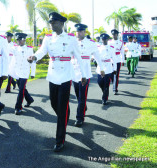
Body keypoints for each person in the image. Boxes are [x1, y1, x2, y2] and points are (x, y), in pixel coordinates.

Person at [28, 12, 87, 152]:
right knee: (54, 104)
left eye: (54, 22)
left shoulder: (71, 39)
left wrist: (83, 75)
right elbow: (42, 51)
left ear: (61, 23)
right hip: (53, 74)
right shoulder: (48, 39)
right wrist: (34, 57)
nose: (51, 24)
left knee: (61, 108)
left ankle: (59, 140)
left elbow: (79, 57)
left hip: (66, 76)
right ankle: (65, 114)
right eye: (50, 22)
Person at [72, 23, 105, 127]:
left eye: (80, 31)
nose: (78, 33)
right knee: (78, 95)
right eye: (77, 31)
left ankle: (79, 118)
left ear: (84, 32)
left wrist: (102, 68)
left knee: (82, 97)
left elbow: (97, 56)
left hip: (85, 73)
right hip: (74, 73)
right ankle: (83, 107)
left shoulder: (91, 43)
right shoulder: (72, 42)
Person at [11, 33, 36, 115]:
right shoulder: (15, 48)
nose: (18, 41)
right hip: (17, 72)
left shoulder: (29, 49)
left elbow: (33, 61)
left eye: (20, 40)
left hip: (25, 72)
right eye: (17, 40)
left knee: (21, 90)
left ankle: (18, 107)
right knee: (22, 89)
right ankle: (29, 99)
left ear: (24, 40)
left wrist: (33, 73)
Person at [97, 33, 117, 105]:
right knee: (99, 82)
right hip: (100, 67)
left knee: (106, 84)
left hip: (108, 68)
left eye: (105, 39)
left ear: (107, 40)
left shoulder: (111, 48)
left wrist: (115, 69)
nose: (104, 40)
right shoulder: (98, 47)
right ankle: (105, 93)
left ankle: (104, 98)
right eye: (102, 39)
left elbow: (114, 59)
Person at [109, 29, 125, 95]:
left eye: (115, 34)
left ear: (117, 35)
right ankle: (113, 83)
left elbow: (122, 52)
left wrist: (123, 60)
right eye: (112, 35)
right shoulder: (109, 42)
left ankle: (115, 89)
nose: (113, 36)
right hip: (110, 60)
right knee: (111, 74)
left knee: (116, 75)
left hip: (118, 60)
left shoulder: (121, 42)